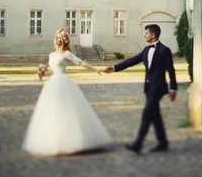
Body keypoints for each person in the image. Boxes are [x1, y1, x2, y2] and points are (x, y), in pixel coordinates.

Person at [22, 28, 112, 156]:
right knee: (53, 112)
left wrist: (95, 69)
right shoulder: (51, 55)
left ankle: (74, 141)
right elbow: (52, 71)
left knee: (68, 110)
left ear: (64, 40)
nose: (57, 39)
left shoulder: (67, 54)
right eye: (56, 37)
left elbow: (81, 62)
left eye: (59, 38)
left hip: (63, 82)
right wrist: (41, 74)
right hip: (52, 84)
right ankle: (54, 141)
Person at [102, 24, 177, 154]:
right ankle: (162, 142)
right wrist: (114, 68)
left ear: (153, 35)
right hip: (148, 87)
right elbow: (132, 61)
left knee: (147, 113)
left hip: (158, 87)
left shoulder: (165, 50)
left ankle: (138, 143)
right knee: (155, 115)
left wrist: (173, 89)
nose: (144, 35)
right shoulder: (146, 50)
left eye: (146, 33)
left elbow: (171, 70)